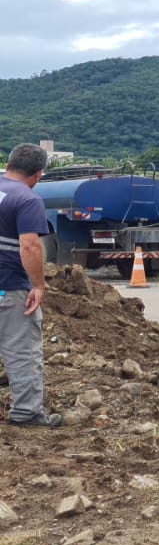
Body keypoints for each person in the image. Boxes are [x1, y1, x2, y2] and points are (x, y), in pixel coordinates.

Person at [1, 144, 58, 427]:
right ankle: (26, 413)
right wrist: (38, 285)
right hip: (8, 287)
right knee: (21, 350)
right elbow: (30, 246)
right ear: (38, 174)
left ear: (9, 163)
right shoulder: (26, 199)